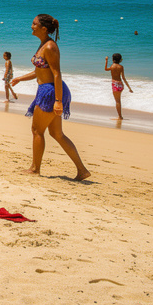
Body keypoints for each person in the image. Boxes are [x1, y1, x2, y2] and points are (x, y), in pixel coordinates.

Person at [11, 14, 91, 181]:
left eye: (34, 24)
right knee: (56, 133)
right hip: (47, 89)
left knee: (37, 130)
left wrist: (58, 101)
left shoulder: (50, 47)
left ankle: (35, 169)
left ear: (44, 28)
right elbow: (39, 71)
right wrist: (20, 78)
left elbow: (56, 74)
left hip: (51, 92)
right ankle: (82, 170)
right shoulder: (43, 45)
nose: (31, 26)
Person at [105, 53, 133, 119]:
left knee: (117, 101)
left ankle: (120, 116)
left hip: (115, 84)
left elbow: (106, 69)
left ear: (113, 59)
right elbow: (123, 78)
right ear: (120, 60)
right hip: (120, 84)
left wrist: (106, 60)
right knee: (119, 101)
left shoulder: (112, 66)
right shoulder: (121, 67)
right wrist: (129, 88)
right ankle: (120, 116)